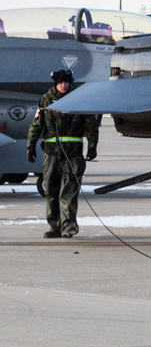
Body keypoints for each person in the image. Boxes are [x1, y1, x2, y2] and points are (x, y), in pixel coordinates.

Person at [26, 69, 99, 239]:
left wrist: (92, 146)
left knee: (69, 192)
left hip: (72, 154)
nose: (63, 85)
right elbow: (37, 123)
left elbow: (91, 125)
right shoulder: (46, 99)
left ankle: (69, 226)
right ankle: (55, 226)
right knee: (51, 191)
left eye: (66, 82)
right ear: (55, 84)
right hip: (51, 153)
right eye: (60, 83)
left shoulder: (79, 99)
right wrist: (30, 145)